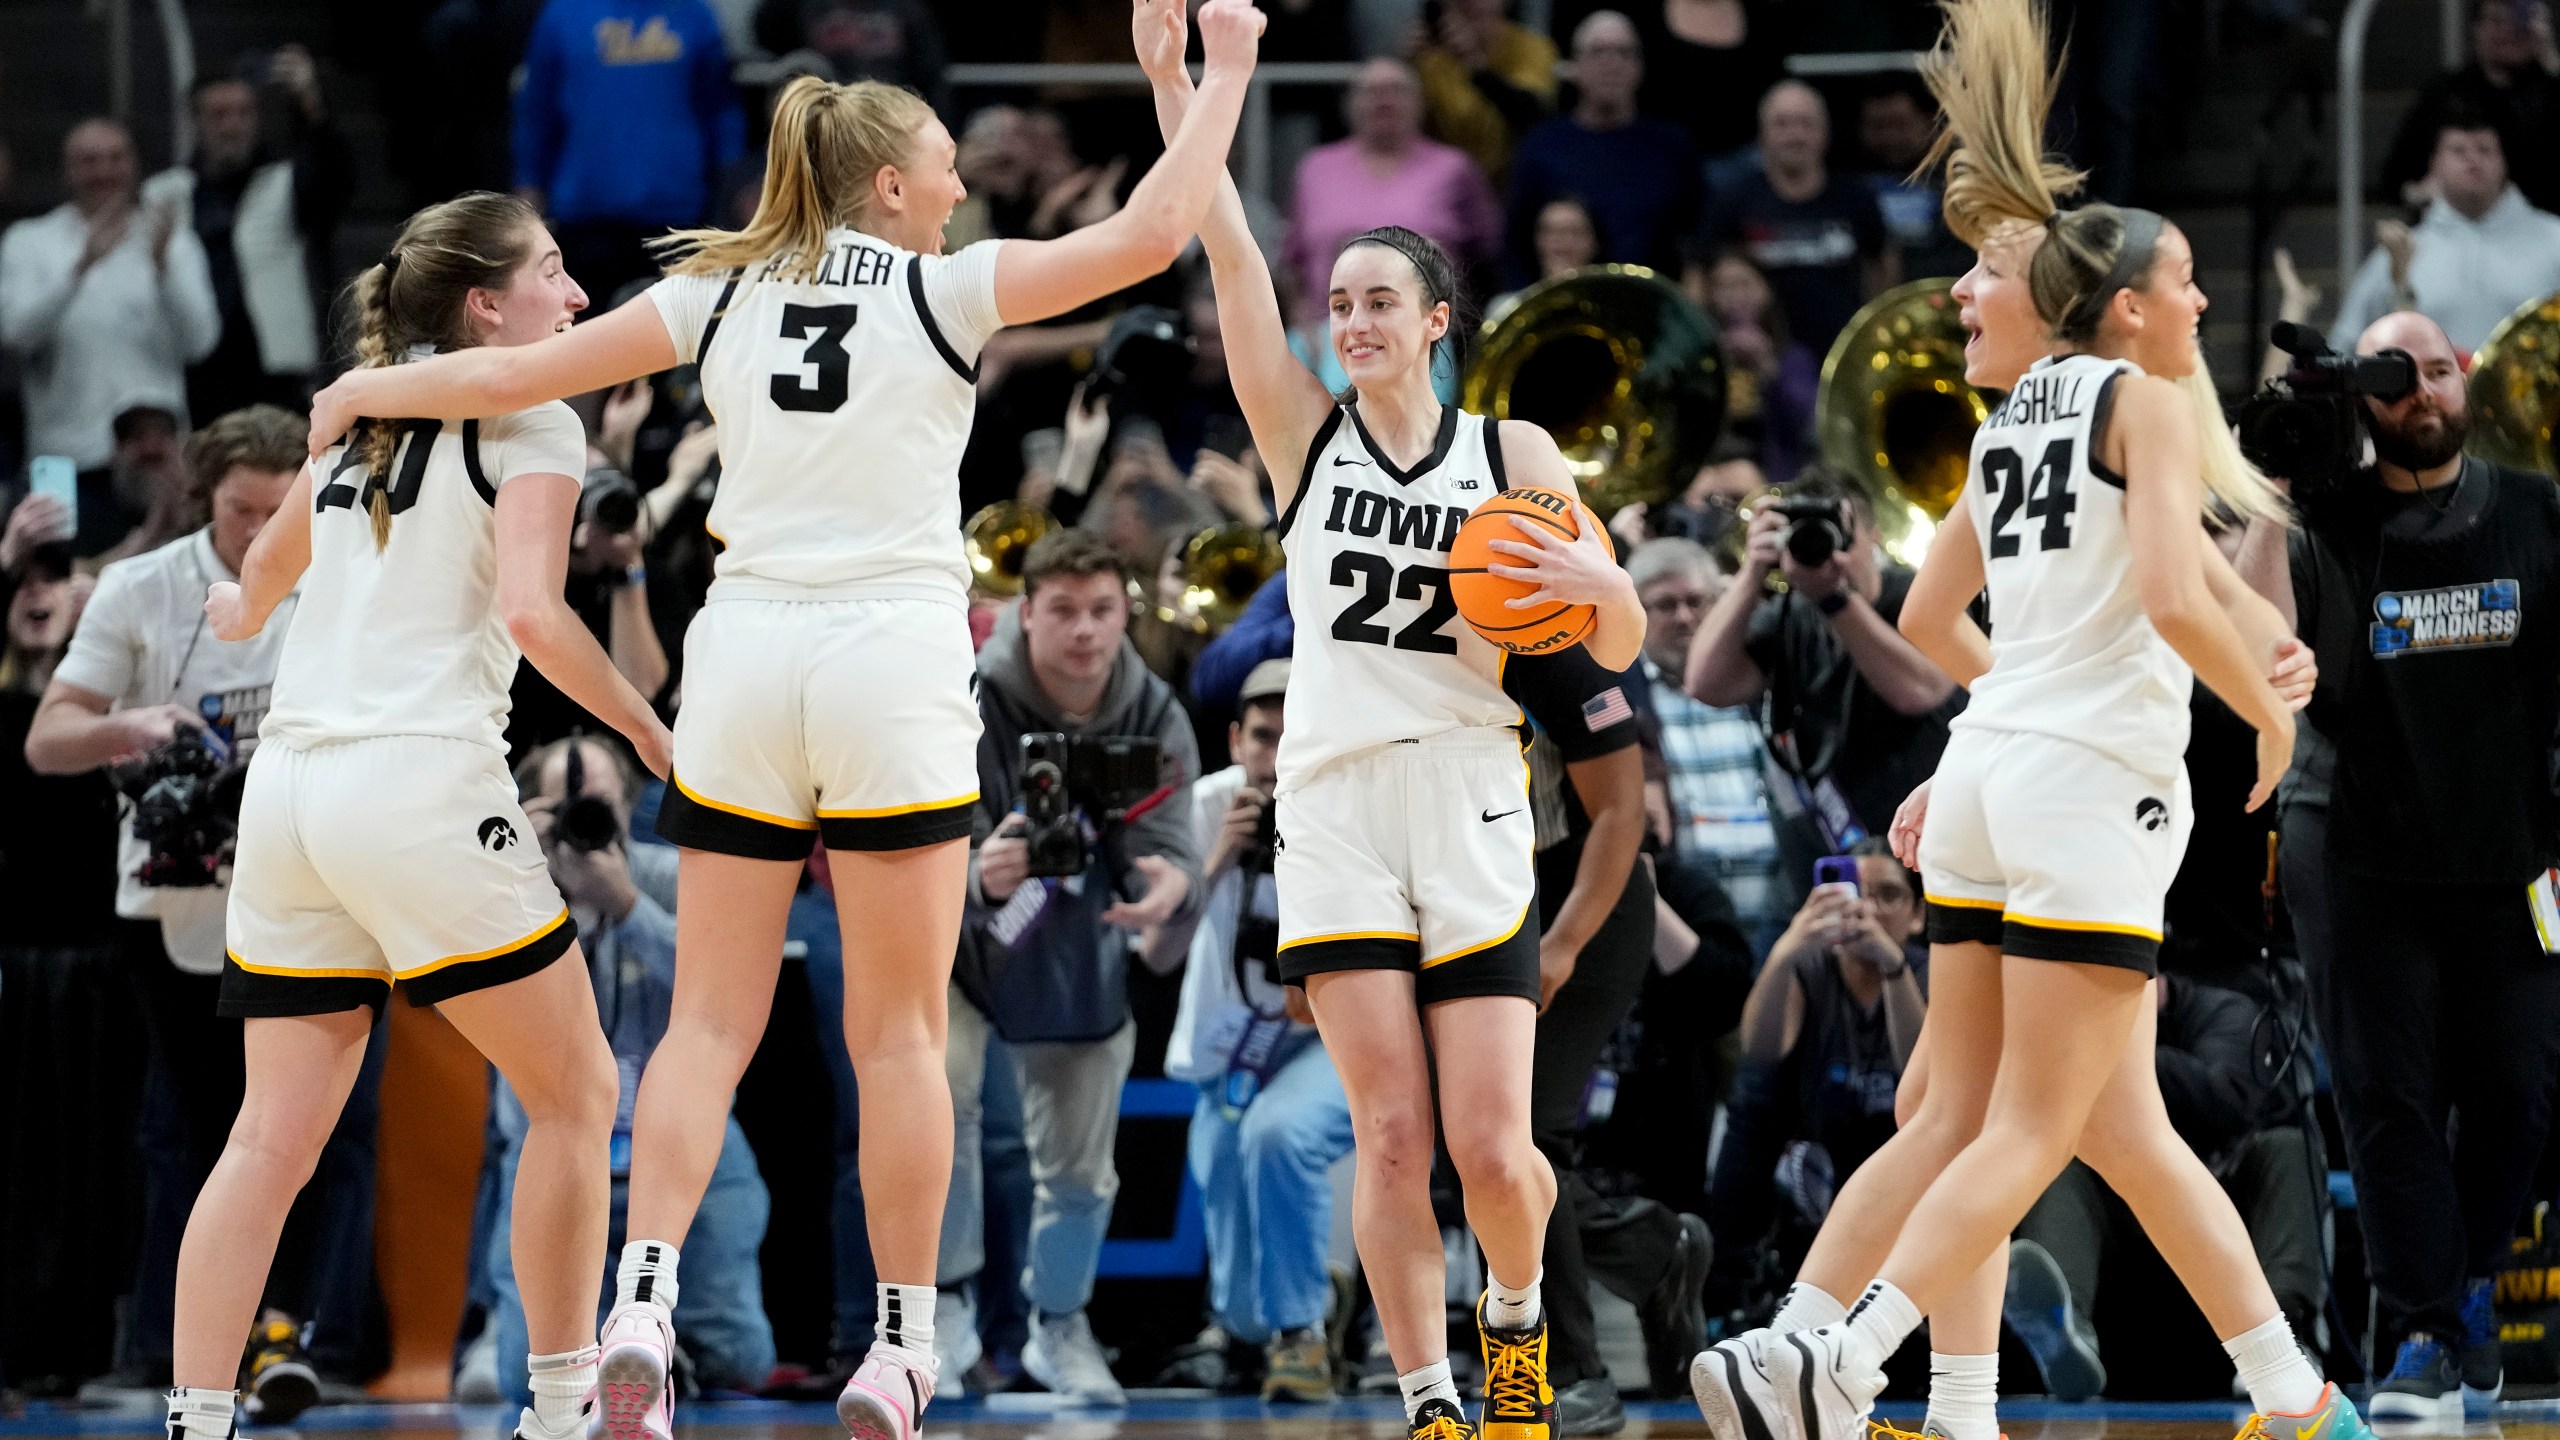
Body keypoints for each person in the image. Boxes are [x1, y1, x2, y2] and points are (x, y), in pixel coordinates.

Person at [305, 13, 1269, 1438]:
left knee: (704, 1026)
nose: (956, 187)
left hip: (746, 656)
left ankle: (640, 1298)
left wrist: (361, 387)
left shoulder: (717, 291)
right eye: (941, 167)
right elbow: (1158, 227)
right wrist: (1218, 69)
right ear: (888, 185)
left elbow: (506, 379)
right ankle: (898, 1346)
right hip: (886, 657)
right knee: (896, 1038)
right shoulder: (951, 286)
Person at [1685, 4, 2347, 1440]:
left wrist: (2254, 646)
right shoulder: (2142, 400)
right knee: (2026, 1126)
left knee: (2042, 1116)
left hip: (1991, 766)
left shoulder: (2011, 427)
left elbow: (1939, 629)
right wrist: (2269, 717)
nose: (2196, 308)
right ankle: (1845, 1363)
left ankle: (2273, 1397)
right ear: (2119, 301)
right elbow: (2173, 597)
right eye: (2179, 285)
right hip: (2092, 781)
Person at [1141, 6, 1647, 1436]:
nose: (1353, 319)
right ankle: (1432, 1399)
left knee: (1494, 1148)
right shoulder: (1302, 434)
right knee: (1388, 1130)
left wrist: (1597, 572)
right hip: (1339, 803)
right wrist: (1188, 81)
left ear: (1436, 320)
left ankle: (1516, 1329)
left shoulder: (1513, 455)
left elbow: (1615, 635)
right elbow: (1225, 239)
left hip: (1475, 794)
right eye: (1341, 302)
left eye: (1382, 302)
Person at [159, 191, 669, 1440]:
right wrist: (656, 730)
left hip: (290, 793)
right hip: (420, 778)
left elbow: (249, 595)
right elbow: (542, 622)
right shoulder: (533, 413)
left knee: (266, 1140)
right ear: (486, 305)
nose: (577, 297)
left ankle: (194, 1420)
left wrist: (221, 617)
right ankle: (559, 1414)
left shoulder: (354, 419)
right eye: (553, 272)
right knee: (576, 1093)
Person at [22, 405, 379, 1414]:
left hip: (323, 884)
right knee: (197, 1130)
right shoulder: (141, 587)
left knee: (330, 1133)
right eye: (239, 511)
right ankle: (187, 1354)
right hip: (181, 895)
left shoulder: (349, 570)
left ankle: (298, 1337)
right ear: (203, 497)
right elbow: (49, 738)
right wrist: (131, 724)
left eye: (281, 511)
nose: (260, 532)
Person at [2276, 309, 2560, 1422]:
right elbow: (2260, 650)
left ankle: (2468, 1287)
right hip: (2367, 863)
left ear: (2466, 378)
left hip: (2519, 861)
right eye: (2393, 380)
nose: (2420, 395)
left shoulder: (2539, 511)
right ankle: (2426, 1339)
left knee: (2519, 1093)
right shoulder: (2329, 520)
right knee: (2386, 1100)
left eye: (2435, 372)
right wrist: (2284, 477)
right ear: (2361, 397)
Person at [945, 528, 1203, 1406]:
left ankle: (1061, 1323)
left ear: (1125, 612)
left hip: (1081, 964)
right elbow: (914, 829)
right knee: (936, 1108)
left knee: (1085, 1178)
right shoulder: (966, 696)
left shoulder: (1156, 709)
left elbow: (1174, 846)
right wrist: (978, 867)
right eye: (1064, 611)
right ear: (1026, 614)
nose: (1086, 631)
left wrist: (1171, 881)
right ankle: (938, 1310)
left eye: (1102, 610)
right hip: (963, 959)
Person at [483, 737, 776, 1407]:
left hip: (684, 1146)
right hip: (548, 1148)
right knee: (516, 1377)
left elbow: (727, 995)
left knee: (742, 1359)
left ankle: (666, 1356)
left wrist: (627, 907)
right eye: (563, 808)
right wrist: (517, 877)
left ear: (629, 804)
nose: (583, 820)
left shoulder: (669, 876)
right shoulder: (504, 893)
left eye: (600, 803)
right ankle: (577, 1342)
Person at [1156, 659, 1359, 1403]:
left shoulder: (1346, 806)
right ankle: (1315, 1297)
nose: (1276, 757)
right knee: (1240, 1311)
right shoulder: (1202, 808)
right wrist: (1214, 862)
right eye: (1264, 738)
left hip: (1327, 1046)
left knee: (1280, 1135)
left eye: (1292, 737)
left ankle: (1303, 1337)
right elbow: (1155, 953)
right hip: (1227, 1060)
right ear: (1238, 739)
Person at [2004, 974, 2325, 1403]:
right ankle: (2065, 1330)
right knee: (2057, 1164)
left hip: (2215, 1194)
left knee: (2287, 1148)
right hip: (2116, 1212)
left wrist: (2121, 1061)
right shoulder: (2067, 1025)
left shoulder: (2226, 1013)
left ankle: (2287, 1331)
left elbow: (2227, 1103)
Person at [1680, 464, 1960, 905]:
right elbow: (1705, 683)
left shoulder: (1916, 595)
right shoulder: (1793, 613)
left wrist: (1833, 598)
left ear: (1876, 535)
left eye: (1839, 532)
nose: (1826, 547)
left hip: (1930, 853)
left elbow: (1920, 692)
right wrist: (1753, 572)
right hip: (1836, 858)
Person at [1705, 839, 1925, 1310]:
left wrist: (1893, 968)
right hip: (1820, 1155)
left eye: (1888, 896)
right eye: (1854, 891)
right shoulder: (1808, 966)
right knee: (1752, 1118)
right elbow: (1761, 1048)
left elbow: (1920, 1073)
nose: (1867, 908)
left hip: (1899, 1150)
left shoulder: (1927, 971)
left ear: (1917, 915)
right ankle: (1726, 1300)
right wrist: (1786, 950)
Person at [143, 47, 355, 421]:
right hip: (197, 370)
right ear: (195, 121)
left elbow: (333, 180)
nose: (232, 125)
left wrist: (310, 104)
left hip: (276, 368)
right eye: (218, 114)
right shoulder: (168, 193)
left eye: (243, 113)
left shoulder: (284, 180)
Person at [0, 118, 219, 471]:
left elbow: (201, 343)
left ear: (134, 166)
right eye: (89, 161)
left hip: (157, 457)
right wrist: (79, 269)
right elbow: (16, 335)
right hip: (60, 458)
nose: (104, 171)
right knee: (51, 527)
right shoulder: (28, 240)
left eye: (116, 158)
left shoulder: (174, 241)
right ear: (67, 171)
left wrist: (164, 268)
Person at [513, 0, 749, 308]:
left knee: (681, 345)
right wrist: (529, 188)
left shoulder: (694, 12)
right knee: (585, 340)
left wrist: (735, 186)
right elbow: (536, 112)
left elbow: (722, 111)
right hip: (586, 216)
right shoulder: (563, 13)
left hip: (680, 216)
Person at [1626, 538, 1781, 945]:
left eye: (1698, 601)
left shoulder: (1760, 685)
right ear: (1634, 610)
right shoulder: (1621, 697)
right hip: (1686, 931)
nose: (1684, 617)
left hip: (1782, 913)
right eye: (1664, 605)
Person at [1282, 59, 1504, 328]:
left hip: (1425, 337)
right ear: (1350, 104)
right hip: (1327, 337)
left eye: (1397, 90)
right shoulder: (1315, 168)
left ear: (1421, 103)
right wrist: (1300, 324)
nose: (1384, 100)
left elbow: (1491, 256)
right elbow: (1292, 264)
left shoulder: (1454, 168)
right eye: (1372, 91)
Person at [2328, 109, 2560, 352]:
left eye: (2484, 149)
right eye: (2458, 150)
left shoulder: (2554, 239)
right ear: (2434, 164)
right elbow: (2344, 346)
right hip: (2427, 391)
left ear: (2504, 162)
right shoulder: (2400, 251)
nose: (2472, 159)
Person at [1693, 81, 1898, 353]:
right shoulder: (1732, 199)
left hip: (1843, 356)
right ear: (1763, 134)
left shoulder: (1855, 196)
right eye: (1782, 124)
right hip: (1761, 365)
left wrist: (1876, 329)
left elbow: (1884, 263)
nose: (1795, 135)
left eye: (1806, 124)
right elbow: (1698, 273)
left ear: (1824, 133)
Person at [1505, 12, 1702, 286]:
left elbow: (1696, 241)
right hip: (1564, 305)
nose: (1611, 64)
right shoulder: (1542, 145)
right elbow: (1516, 245)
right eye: (1598, 52)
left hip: (1653, 306)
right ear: (1574, 66)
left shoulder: (1672, 146)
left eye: (1624, 53)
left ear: (1639, 67)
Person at [2380, 0, 2559, 213]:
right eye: (2496, 21)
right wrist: (2419, 193)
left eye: (2518, 21)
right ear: (2476, 28)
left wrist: (2552, 60)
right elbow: (2395, 179)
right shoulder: (2446, 93)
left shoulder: (2551, 90)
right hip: (2459, 230)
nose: (2508, 30)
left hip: (2545, 228)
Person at [1412, 0, 1558, 182]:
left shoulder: (1533, 48)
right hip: (1448, 183)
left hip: (1514, 181)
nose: (1472, 4)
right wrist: (1404, 68)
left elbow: (1534, 118)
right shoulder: (1432, 58)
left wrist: (1476, 68)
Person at [1857, 78, 1969, 282]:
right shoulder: (1845, 188)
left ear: (1929, 123)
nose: (1890, 136)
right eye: (1878, 126)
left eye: (1900, 125)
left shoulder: (1960, 183)